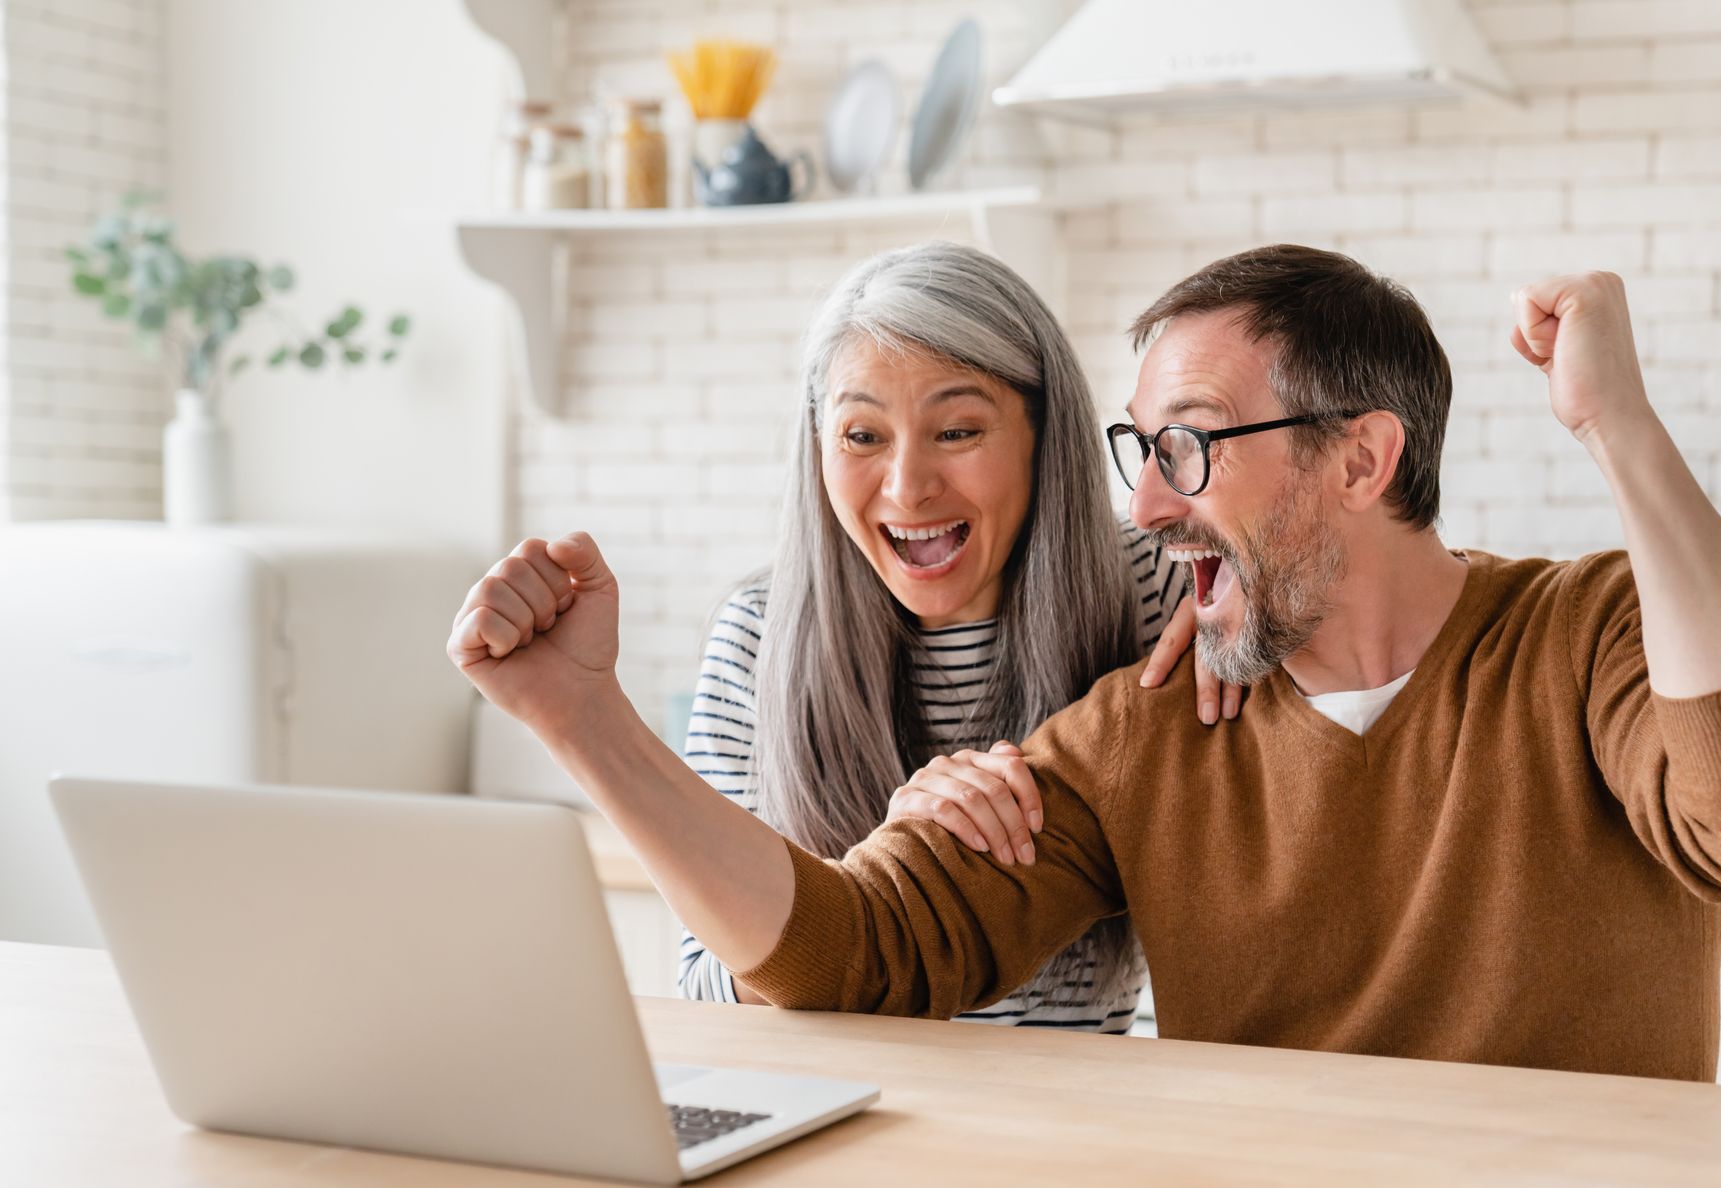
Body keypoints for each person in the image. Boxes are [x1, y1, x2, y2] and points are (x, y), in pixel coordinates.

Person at [450, 245, 1721, 1082]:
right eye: (1140, 451)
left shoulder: (1589, 637)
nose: (1141, 506)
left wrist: (1619, 429)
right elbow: (844, 955)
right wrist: (583, 719)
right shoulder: (1148, 729)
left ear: (1362, 457)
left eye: (1187, 445)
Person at [464, 242, 1231, 1036]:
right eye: (862, 436)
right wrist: (891, 862)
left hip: (1068, 1117)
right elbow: (709, 994)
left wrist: (1243, 605)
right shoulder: (758, 639)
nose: (908, 485)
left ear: (1045, 433)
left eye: (958, 429)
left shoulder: (1153, 590)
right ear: (818, 444)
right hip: (837, 1108)